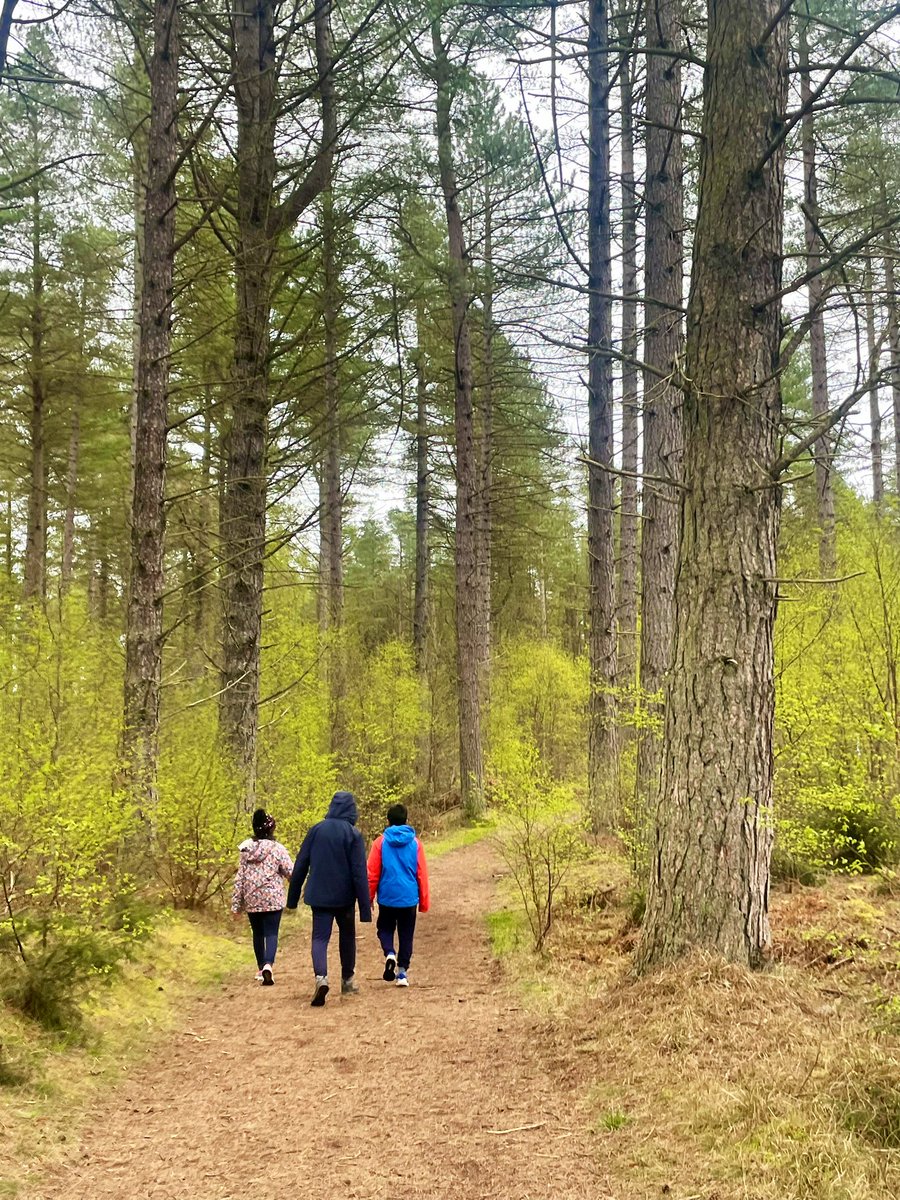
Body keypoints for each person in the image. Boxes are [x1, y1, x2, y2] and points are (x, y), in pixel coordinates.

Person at [286, 791, 372, 1006]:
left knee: (320, 938)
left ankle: (321, 978)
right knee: (347, 936)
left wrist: (292, 899)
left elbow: (300, 864)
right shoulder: (353, 834)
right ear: (352, 810)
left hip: (319, 895)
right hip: (344, 897)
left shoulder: (316, 830)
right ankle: (347, 980)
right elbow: (359, 872)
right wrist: (365, 907)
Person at [367, 803, 430, 988]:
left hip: (387, 897)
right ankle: (402, 972)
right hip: (409, 898)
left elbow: (372, 874)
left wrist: (368, 897)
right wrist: (424, 902)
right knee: (406, 934)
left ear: (388, 821)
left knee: (384, 929)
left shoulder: (380, 843)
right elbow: (421, 874)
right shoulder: (416, 844)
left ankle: (389, 953)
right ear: (406, 820)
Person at [231, 808, 294, 986]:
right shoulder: (277, 849)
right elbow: (291, 872)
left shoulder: (245, 850)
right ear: (271, 830)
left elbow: (240, 879)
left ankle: (260, 969)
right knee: (272, 933)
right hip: (273, 898)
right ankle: (268, 964)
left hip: (252, 898)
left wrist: (236, 906)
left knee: (257, 933)